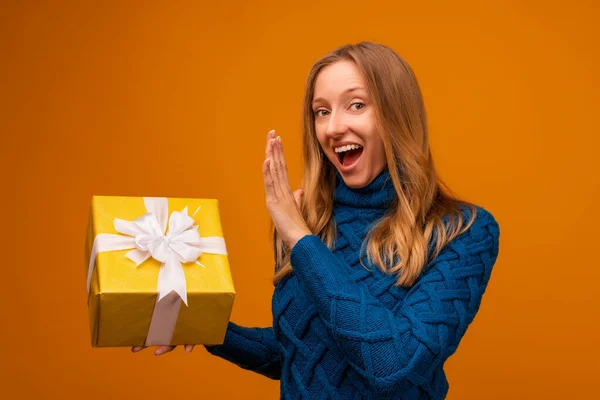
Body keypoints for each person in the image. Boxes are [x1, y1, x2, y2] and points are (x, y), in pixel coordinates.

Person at [133, 41, 500, 399]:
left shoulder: (464, 231)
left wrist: (299, 238)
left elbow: (396, 366)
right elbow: (306, 354)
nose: (332, 128)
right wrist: (205, 327)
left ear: (396, 114)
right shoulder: (311, 221)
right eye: (321, 111)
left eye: (356, 105)